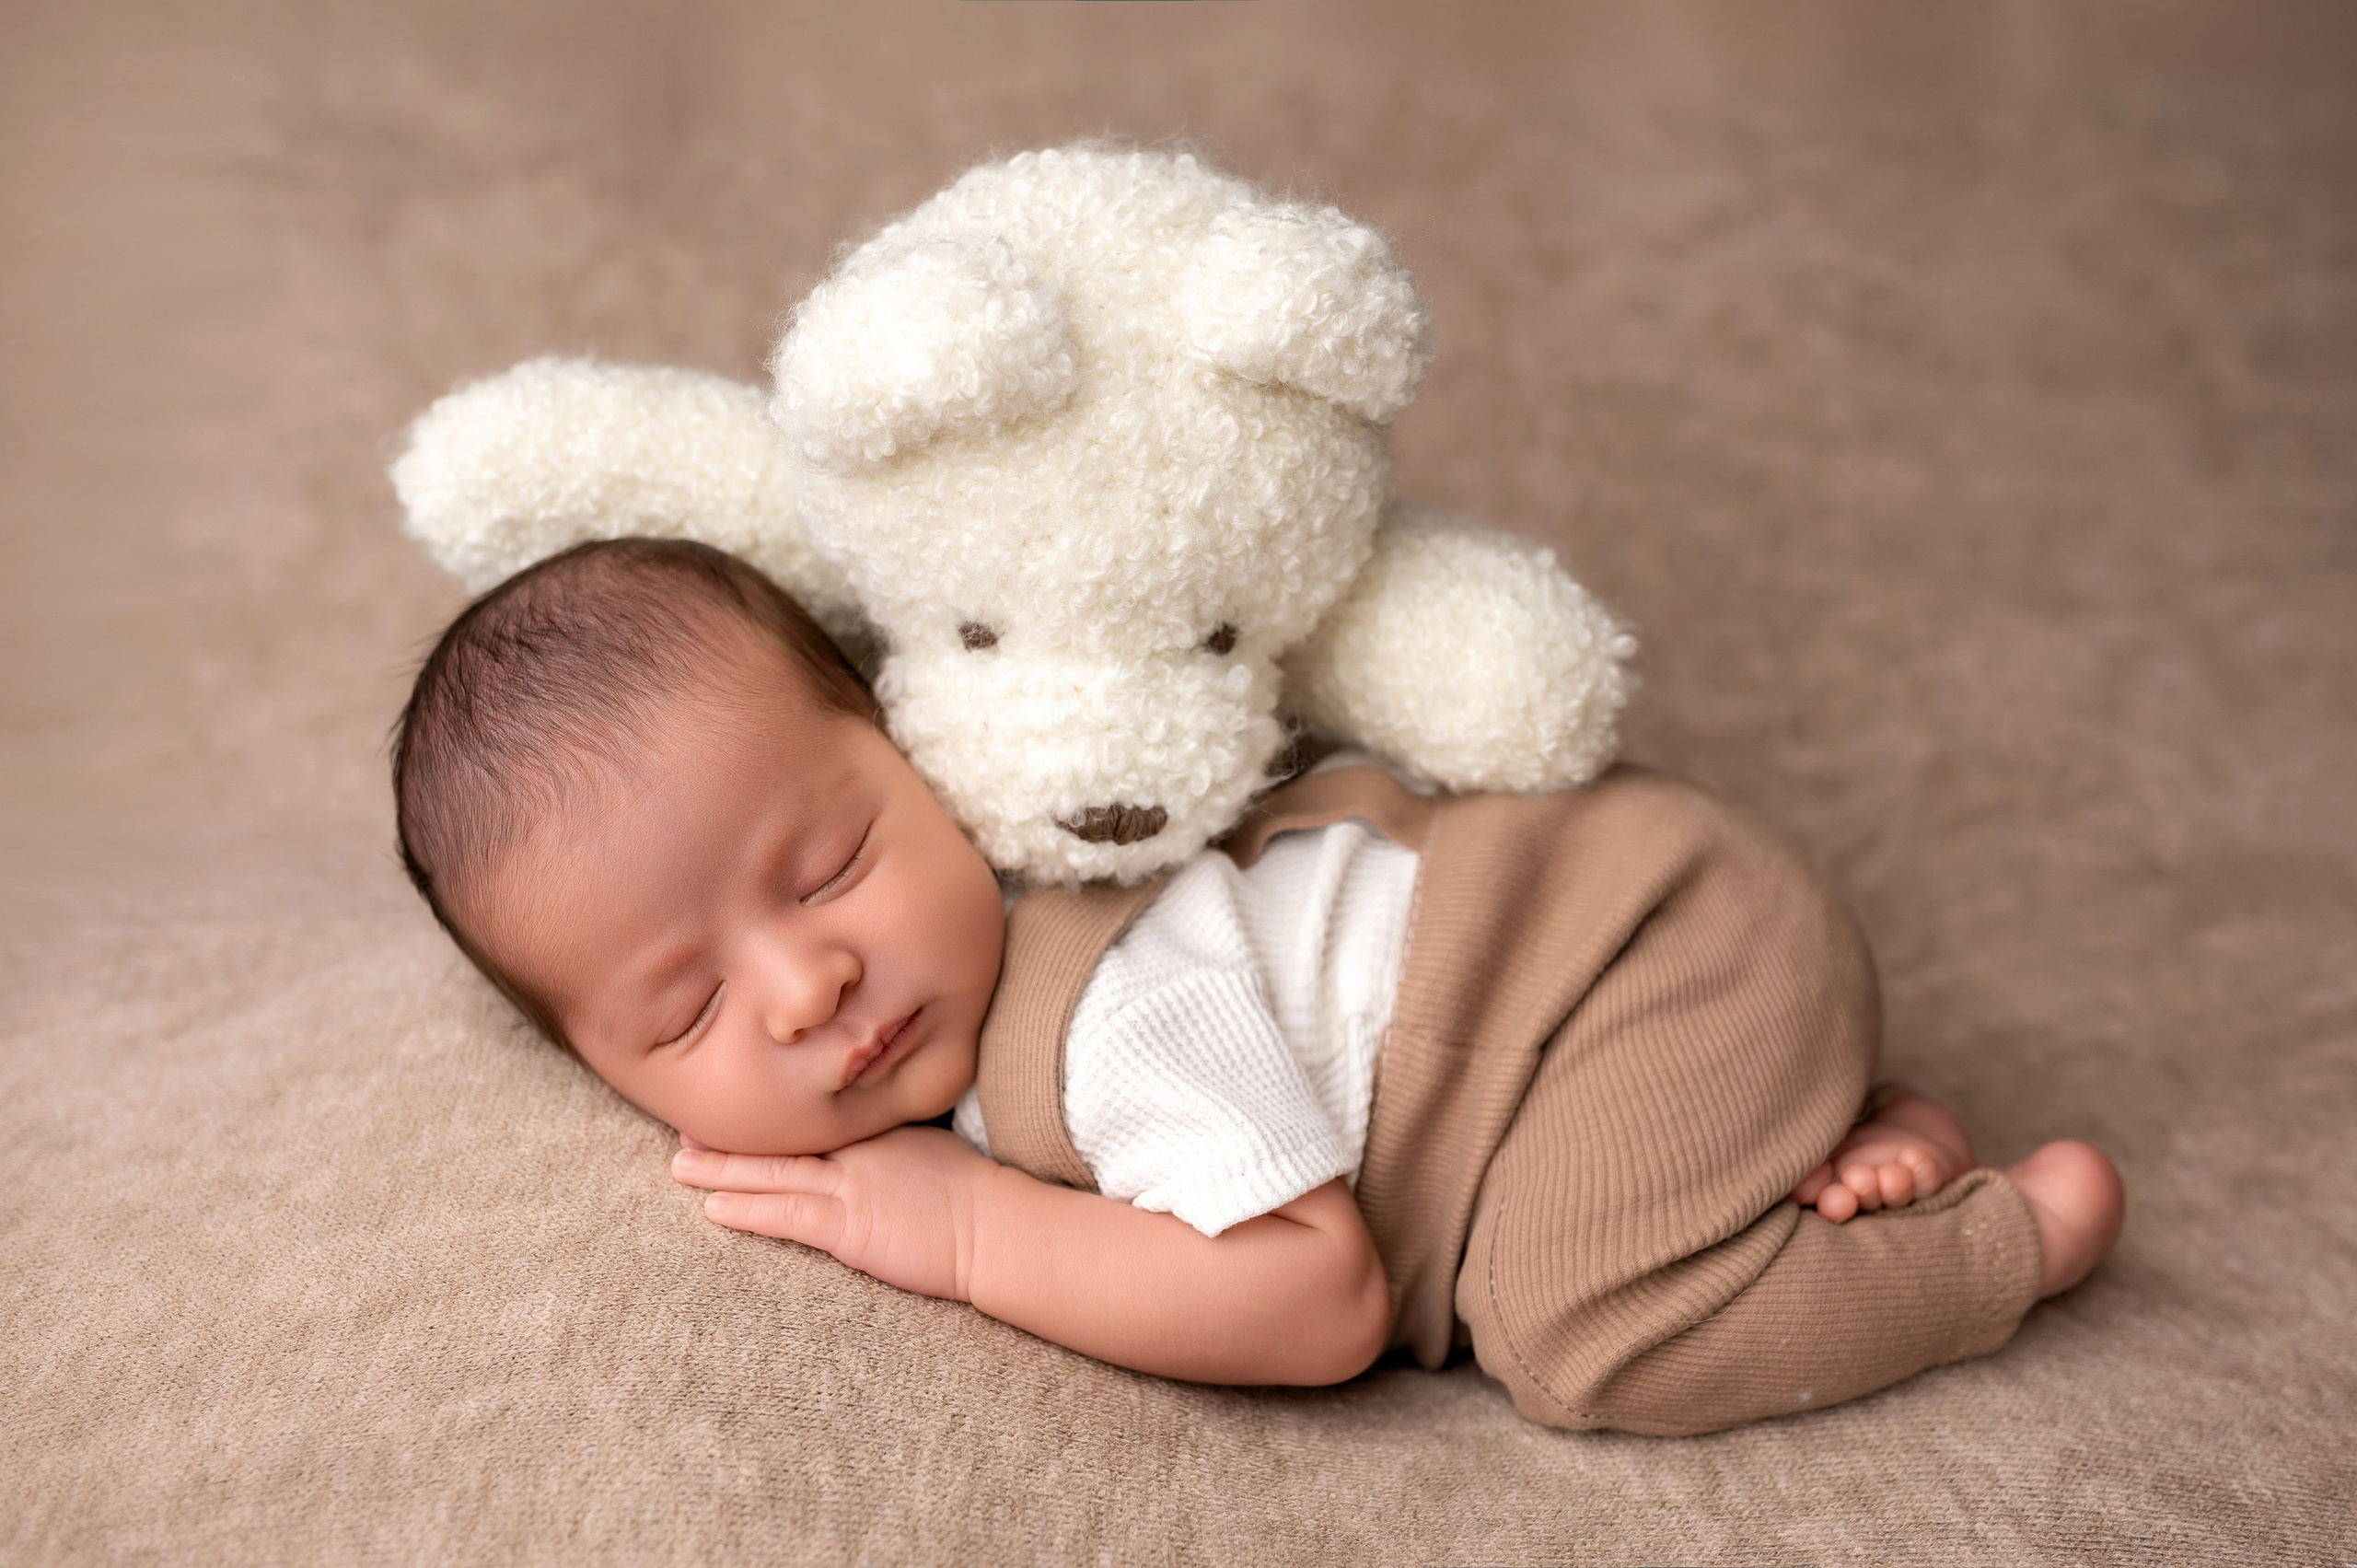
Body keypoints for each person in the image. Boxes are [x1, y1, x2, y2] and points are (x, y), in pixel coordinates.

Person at [391, 538, 2124, 1434]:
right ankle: (1840, 1136)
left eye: (829, 865)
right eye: (683, 1013)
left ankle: (2008, 1237)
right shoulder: (945, 994)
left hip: (1650, 961)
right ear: (597, 1070)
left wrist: (968, 1235)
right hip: (1590, 996)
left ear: (908, 745)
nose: (804, 985)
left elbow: (1314, 1305)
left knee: (1590, 1343)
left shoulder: (1112, 1007)